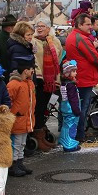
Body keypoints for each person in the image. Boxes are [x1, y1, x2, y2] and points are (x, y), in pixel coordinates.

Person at [63, 12, 98, 142]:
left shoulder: (72, 36)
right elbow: (94, 57)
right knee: (82, 108)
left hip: (79, 75)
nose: (90, 27)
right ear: (80, 24)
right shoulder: (82, 38)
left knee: (77, 106)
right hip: (84, 77)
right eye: (87, 24)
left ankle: (75, 134)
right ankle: (80, 135)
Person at [32, 19, 62, 151]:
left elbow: (59, 58)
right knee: (38, 107)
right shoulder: (33, 41)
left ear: (48, 28)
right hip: (39, 80)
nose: (39, 28)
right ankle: (37, 134)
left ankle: (41, 132)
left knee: (46, 107)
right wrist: (39, 76)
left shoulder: (54, 41)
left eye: (42, 26)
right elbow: (33, 60)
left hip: (51, 81)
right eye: (37, 26)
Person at [7, 62, 36, 176]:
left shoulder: (29, 83)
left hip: (26, 119)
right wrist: (13, 113)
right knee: (16, 143)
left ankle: (19, 163)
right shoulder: (14, 84)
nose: (33, 71)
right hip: (18, 119)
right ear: (25, 70)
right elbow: (8, 101)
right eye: (31, 69)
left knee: (22, 143)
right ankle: (13, 166)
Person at [57, 59, 81, 152]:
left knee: (66, 126)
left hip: (65, 108)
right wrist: (77, 110)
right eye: (73, 71)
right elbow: (73, 99)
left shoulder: (64, 84)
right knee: (72, 127)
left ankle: (66, 143)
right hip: (71, 109)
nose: (76, 73)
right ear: (68, 73)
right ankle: (70, 145)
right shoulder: (71, 85)